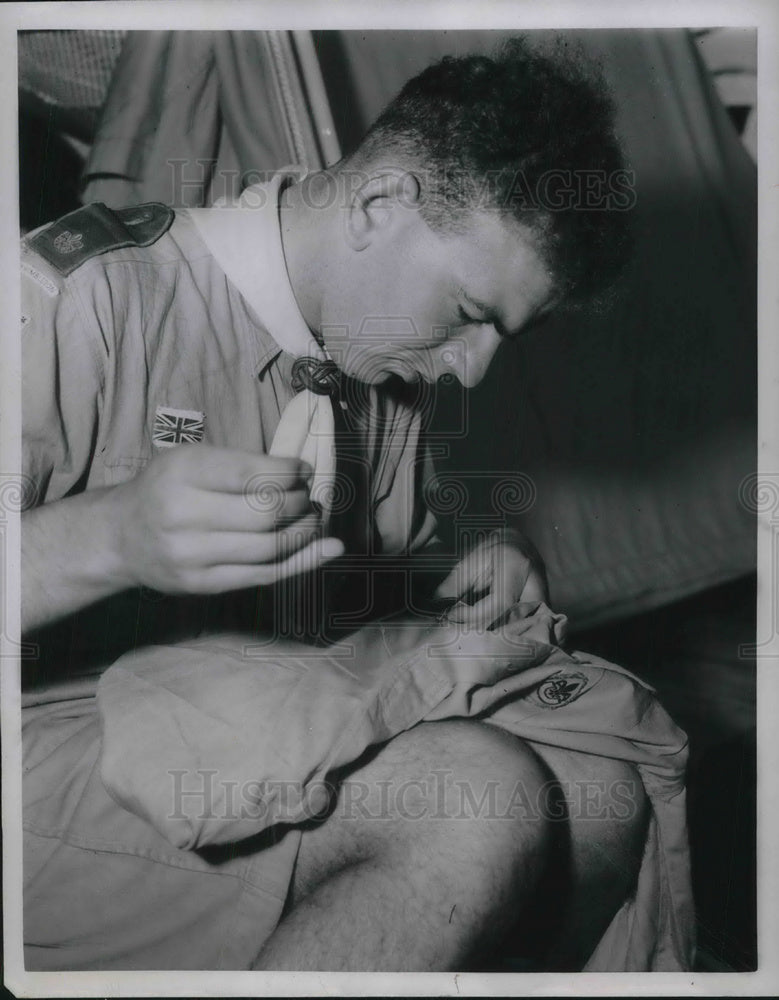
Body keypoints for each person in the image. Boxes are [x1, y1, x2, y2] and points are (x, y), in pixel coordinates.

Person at [20, 40, 661, 972]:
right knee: (474, 804)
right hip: (51, 738)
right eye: (473, 313)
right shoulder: (74, 299)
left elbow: (400, 549)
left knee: (603, 797)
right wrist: (108, 537)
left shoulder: (374, 357)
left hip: (233, 717)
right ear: (376, 206)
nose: (474, 369)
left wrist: (486, 552)